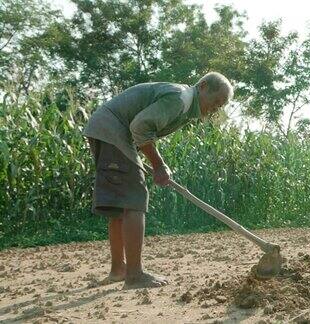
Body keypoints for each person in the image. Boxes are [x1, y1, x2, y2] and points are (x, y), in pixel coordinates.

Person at [83, 72, 233, 289]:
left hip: (105, 131)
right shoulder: (180, 99)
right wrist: (159, 165)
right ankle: (134, 275)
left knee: (121, 205)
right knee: (134, 198)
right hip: (112, 132)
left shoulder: (182, 103)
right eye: (216, 101)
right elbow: (140, 127)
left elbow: (142, 129)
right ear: (202, 86)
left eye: (221, 105)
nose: (216, 108)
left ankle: (119, 270)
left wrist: (155, 163)